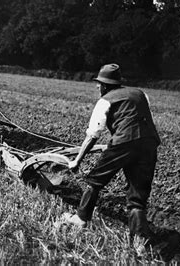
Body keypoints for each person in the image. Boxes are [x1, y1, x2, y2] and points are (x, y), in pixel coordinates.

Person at [65, 63, 161, 241]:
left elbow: (92, 135)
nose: (97, 86)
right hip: (149, 143)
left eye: (99, 83)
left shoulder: (105, 100)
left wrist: (77, 160)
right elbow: (145, 119)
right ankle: (140, 240)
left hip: (123, 143)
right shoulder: (141, 94)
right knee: (137, 196)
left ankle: (81, 218)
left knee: (94, 180)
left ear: (105, 85)